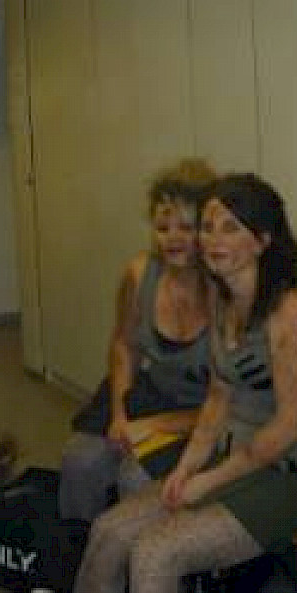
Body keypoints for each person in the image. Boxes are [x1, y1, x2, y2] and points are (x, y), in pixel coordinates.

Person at [72, 174, 297, 593]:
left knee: (155, 554)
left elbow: (288, 428)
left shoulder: (290, 314)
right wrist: (186, 467)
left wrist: (208, 481)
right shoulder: (224, 299)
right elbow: (218, 397)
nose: (213, 240)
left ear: (262, 241)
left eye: (231, 228)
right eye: (208, 227)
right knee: (108, 533)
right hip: (234, 457)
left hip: (294, 475)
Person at [58, 159, 216, 522]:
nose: (172, 238)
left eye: (186, 228)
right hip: (151, 396)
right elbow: (124, 344)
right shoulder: (140, 273)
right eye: (162, 227)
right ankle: (79, 547)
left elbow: (231, 404)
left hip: (204, 413)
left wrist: (156, 426)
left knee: (135, 477)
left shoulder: (226, 289)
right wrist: (120, 413)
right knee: (80, 460)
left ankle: (139, 555)